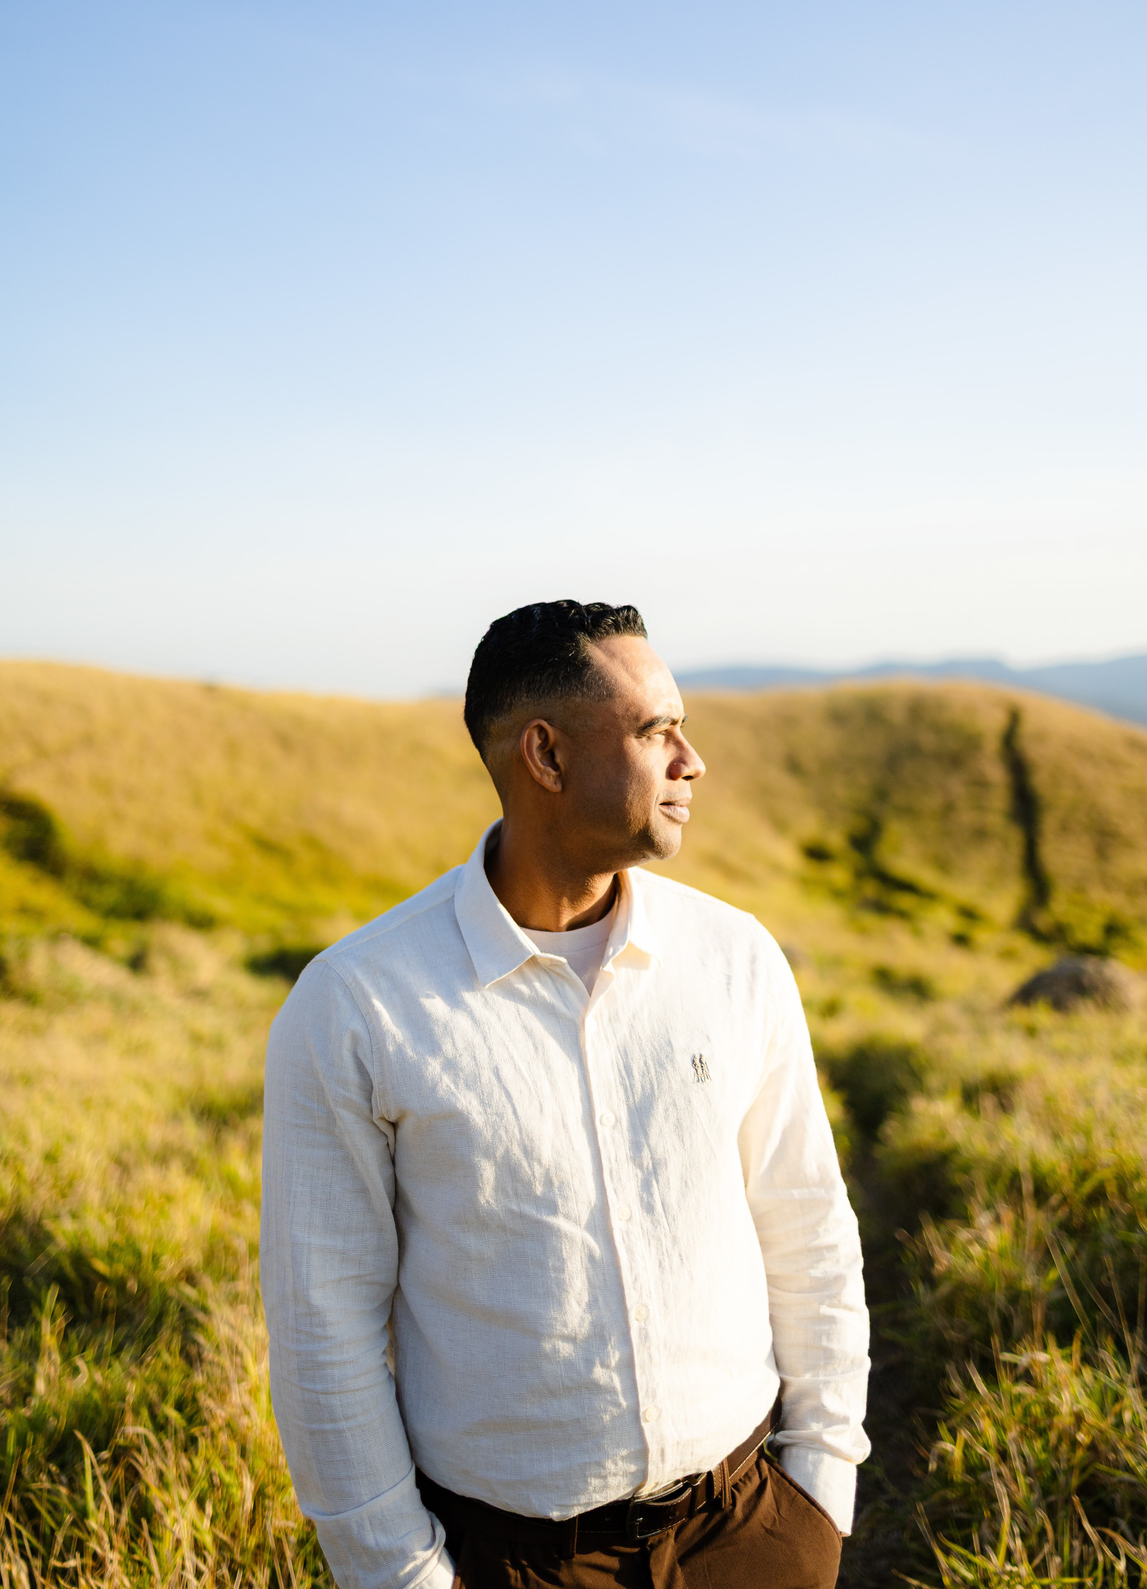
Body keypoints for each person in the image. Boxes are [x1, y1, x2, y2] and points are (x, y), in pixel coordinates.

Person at [261, 600, 869, 1589]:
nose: (692, 762)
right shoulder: (356, 1005)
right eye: (655, 731)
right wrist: (399, 1575)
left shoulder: (736, 958)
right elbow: (321, 1327)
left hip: (750, 1528)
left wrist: (819, 1489)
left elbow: (806, 1223)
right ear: (545, 755)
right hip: (514, 1562)